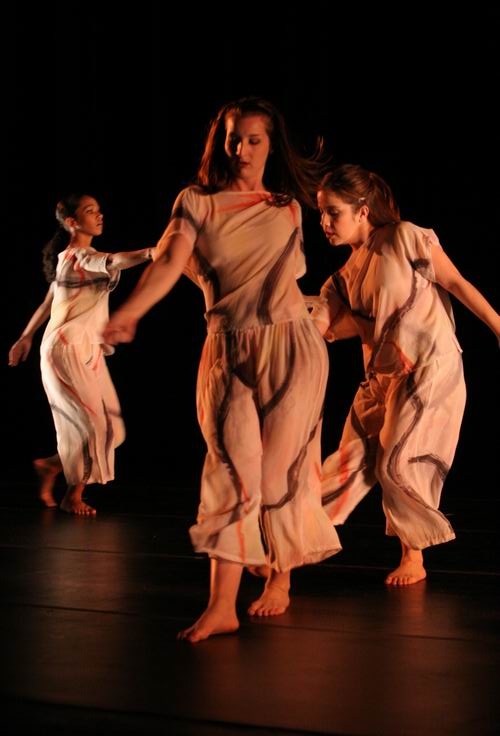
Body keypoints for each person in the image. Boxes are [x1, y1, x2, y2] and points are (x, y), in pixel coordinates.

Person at [103, 97, 341, 642]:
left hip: (290, 346)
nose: (242, 150)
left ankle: (280, 578)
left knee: (281, 474)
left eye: (254, 140)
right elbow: (170, 259)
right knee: (231, 472)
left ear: (271, 146)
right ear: (222, 142)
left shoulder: (287, 208)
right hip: (226, 347)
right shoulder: (196, 202)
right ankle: (221, 606)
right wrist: (131, 312)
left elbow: (283, 281)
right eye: (234, 138)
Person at [311, 164, 500, 585]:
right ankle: (294, 543)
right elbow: (323, 326)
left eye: (333, 212)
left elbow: (455, 282)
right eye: (321, 213)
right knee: (345, 463)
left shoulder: (403, 237)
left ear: (362, 211)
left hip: (428, 366)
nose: (324, 222)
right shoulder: (340, 280)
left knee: (395, 463)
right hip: (382, 379)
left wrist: (497, 324)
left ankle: (414, 556)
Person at [8, 193, 154, 515]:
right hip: (66, 348)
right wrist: (151, 253)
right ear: (73, 222)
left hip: (87, 349)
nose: (99, 215)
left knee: (114, 430)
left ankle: (51, 465)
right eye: (90, 211)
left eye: (99, 210)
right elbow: (113, 262)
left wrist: (25, 336)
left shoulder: (68, 260)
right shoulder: (78, 257)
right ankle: (72, 496)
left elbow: (48, 302)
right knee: (94, 426)